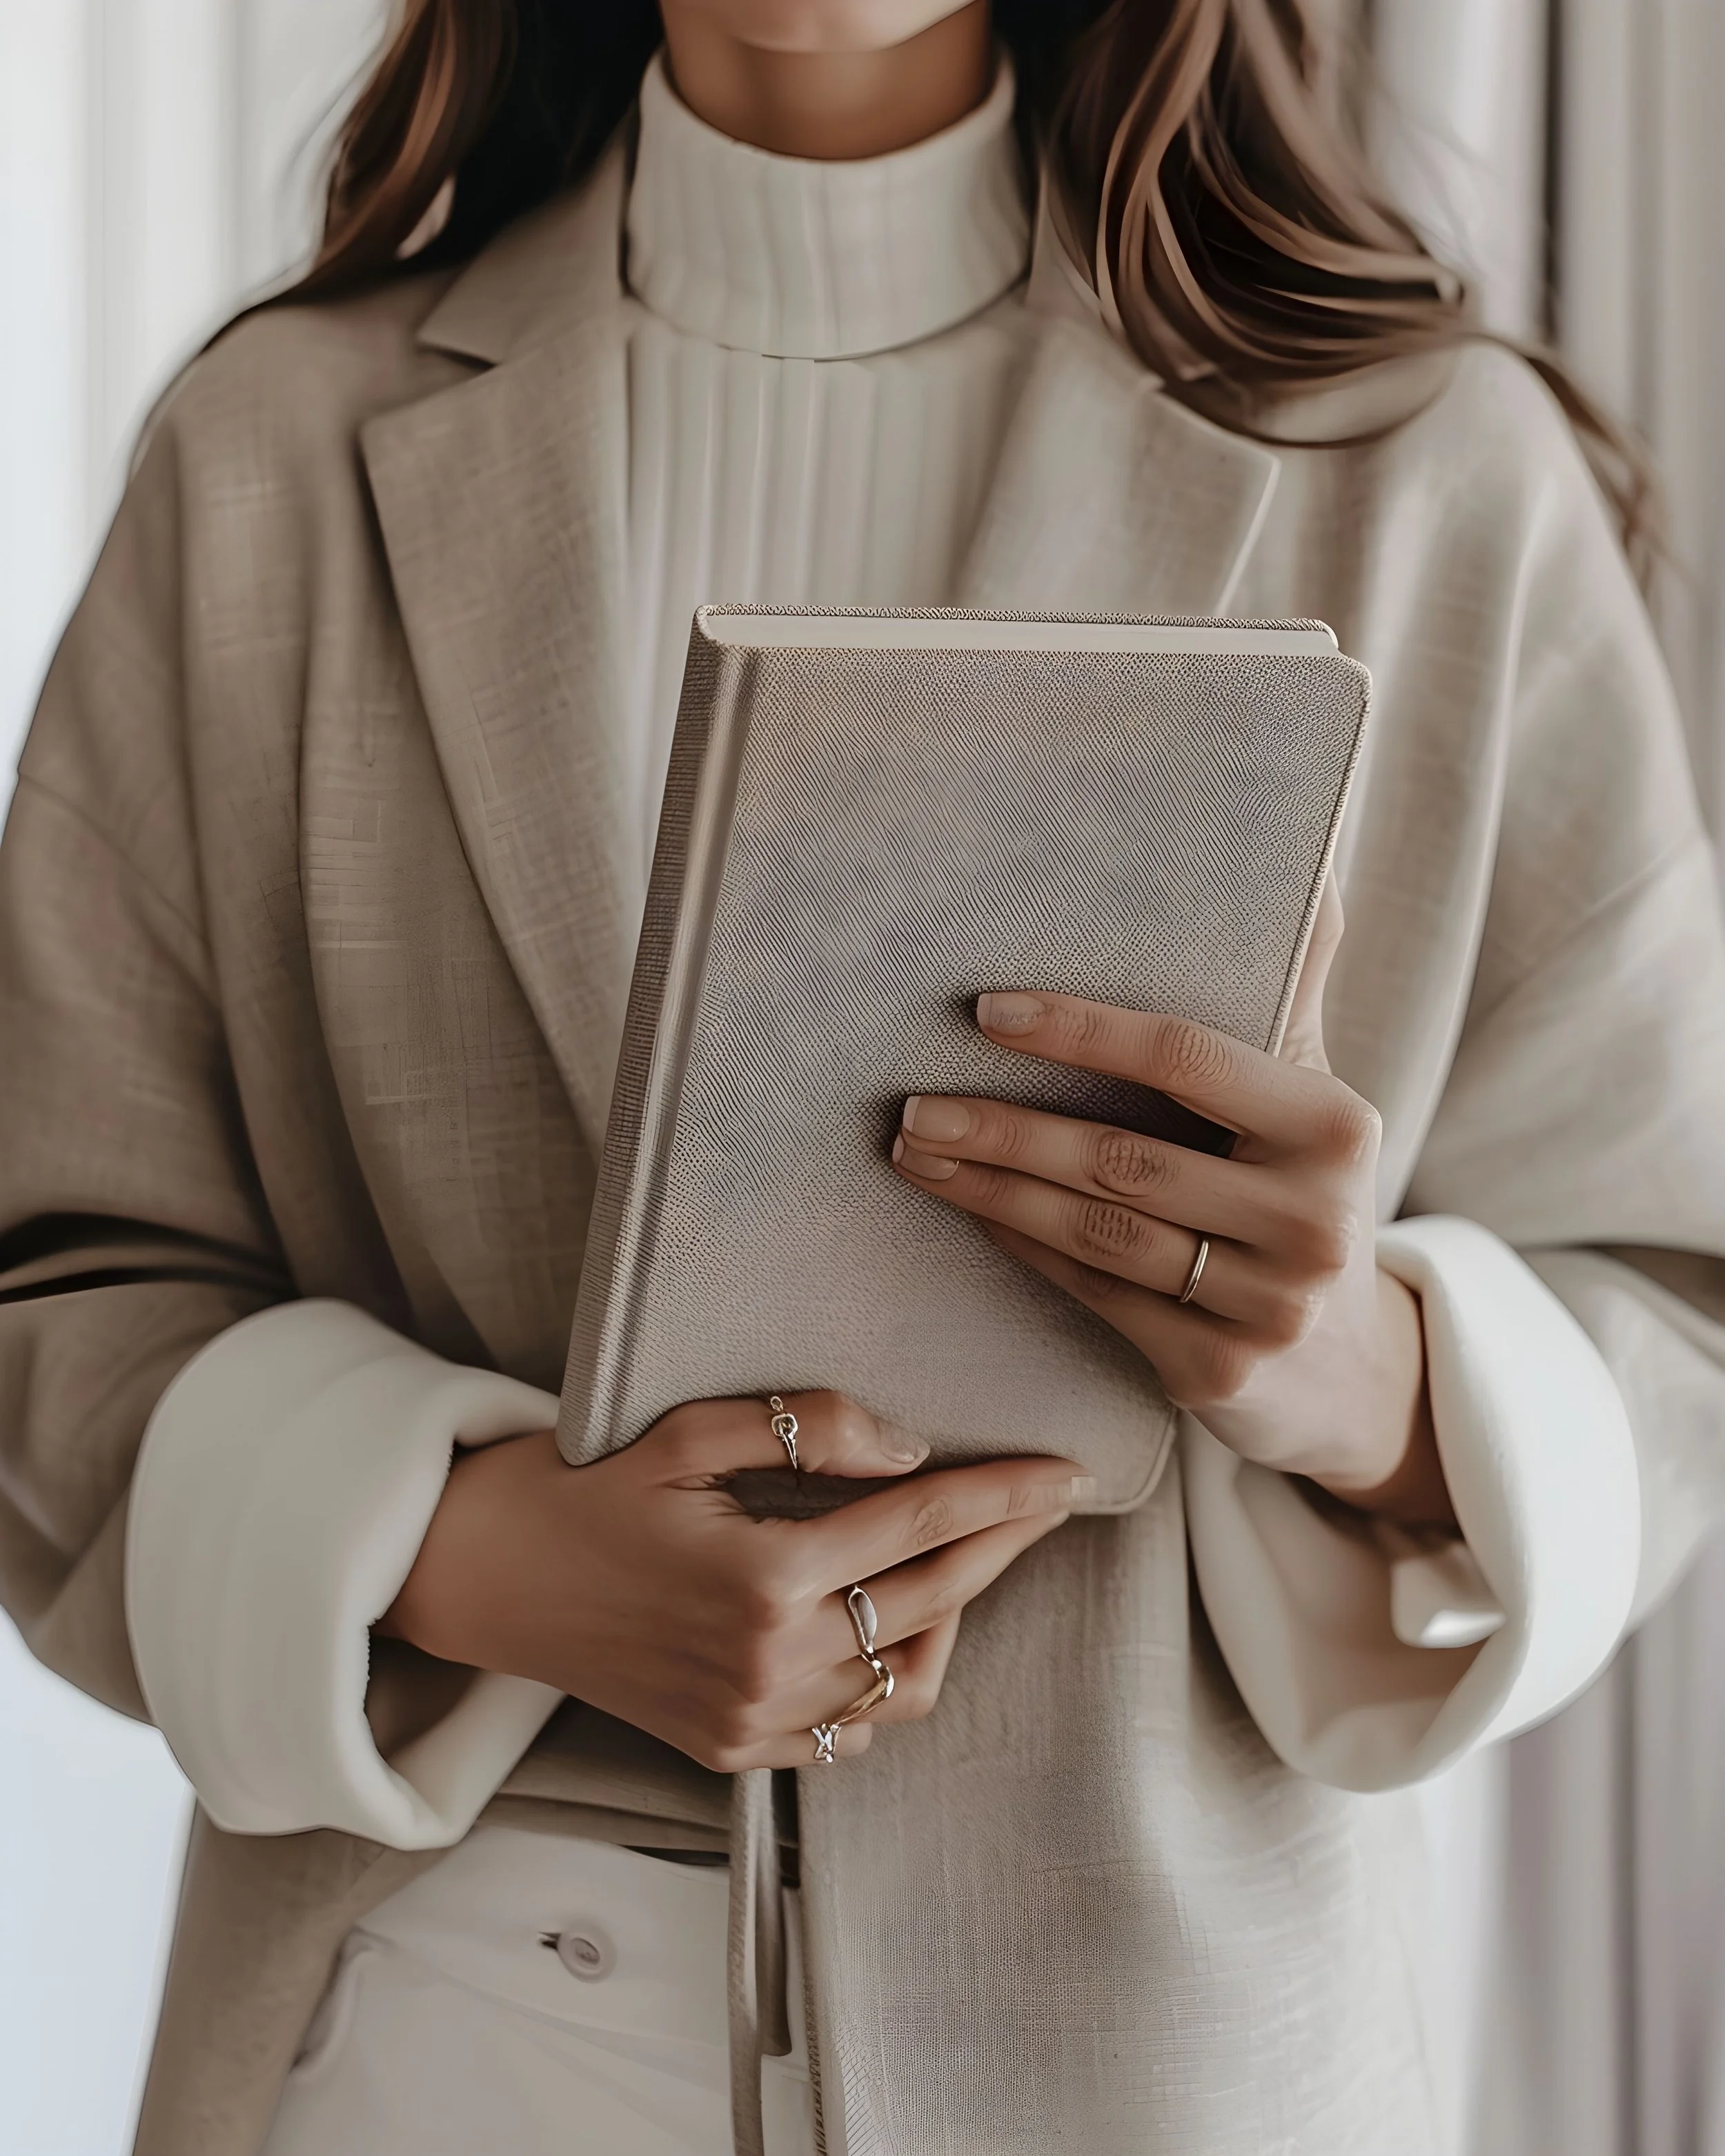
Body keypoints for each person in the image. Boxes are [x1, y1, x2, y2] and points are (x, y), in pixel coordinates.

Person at [4, 1, 1724, 2151]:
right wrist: (448, 1544)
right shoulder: (268, 454)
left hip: (1141, 2051)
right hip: (423, 2027)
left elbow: (1666, 1302)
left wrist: (1363, 1370)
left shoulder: (1428, 473)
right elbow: (54, 1285)